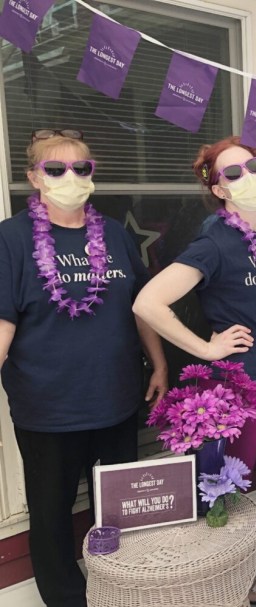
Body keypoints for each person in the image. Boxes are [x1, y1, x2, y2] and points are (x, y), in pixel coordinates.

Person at [132, 136, 256, 607]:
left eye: (253, 166)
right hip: (233, 390)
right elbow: (148, 302)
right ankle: (234, 587)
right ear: (218, 189)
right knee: (226, 494)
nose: (248, 178)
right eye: (231, 174)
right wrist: (208, 349)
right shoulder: (214, 241)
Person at [0, 129, 168, 607]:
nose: (69, 177)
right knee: (52, 517)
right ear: (34, 176)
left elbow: (142, 306)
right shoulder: (10, 240)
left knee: (117, 513)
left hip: (115, 397)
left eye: (81, 168)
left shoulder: (113, 233)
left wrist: (157, 364)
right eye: (55, 169)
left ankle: (117, 591)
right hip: (47, 406)